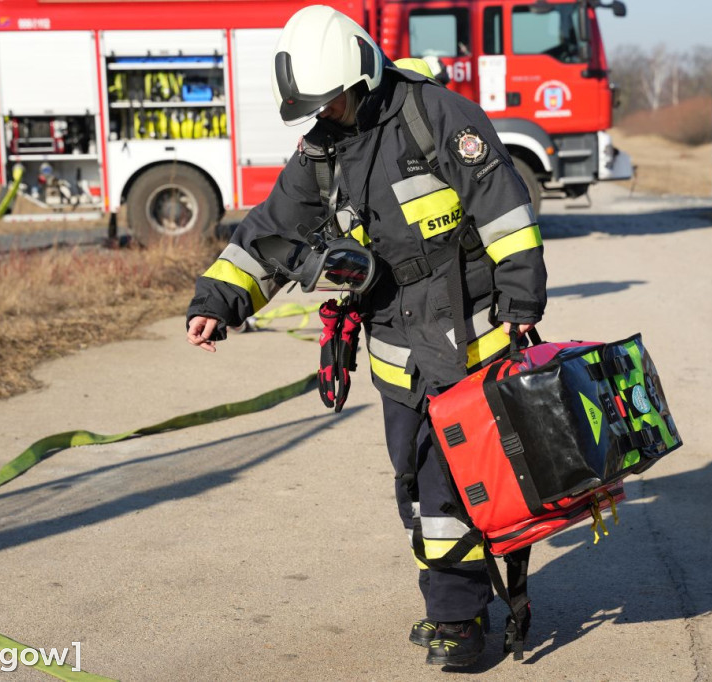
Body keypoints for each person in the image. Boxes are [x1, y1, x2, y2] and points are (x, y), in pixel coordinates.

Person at [185, 5, 546, 667]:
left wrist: (522, 303)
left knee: (453, 487)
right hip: (395, 348)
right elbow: (271, 235)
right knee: (413, 485)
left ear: (364, 74)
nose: (330, 115)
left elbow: (506, 216)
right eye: (319, 107)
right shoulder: (324, 148)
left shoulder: (438, 116)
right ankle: (460, 593)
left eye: (336, 102)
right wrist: (218, 300)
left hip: (470, 340)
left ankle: (459, 622)